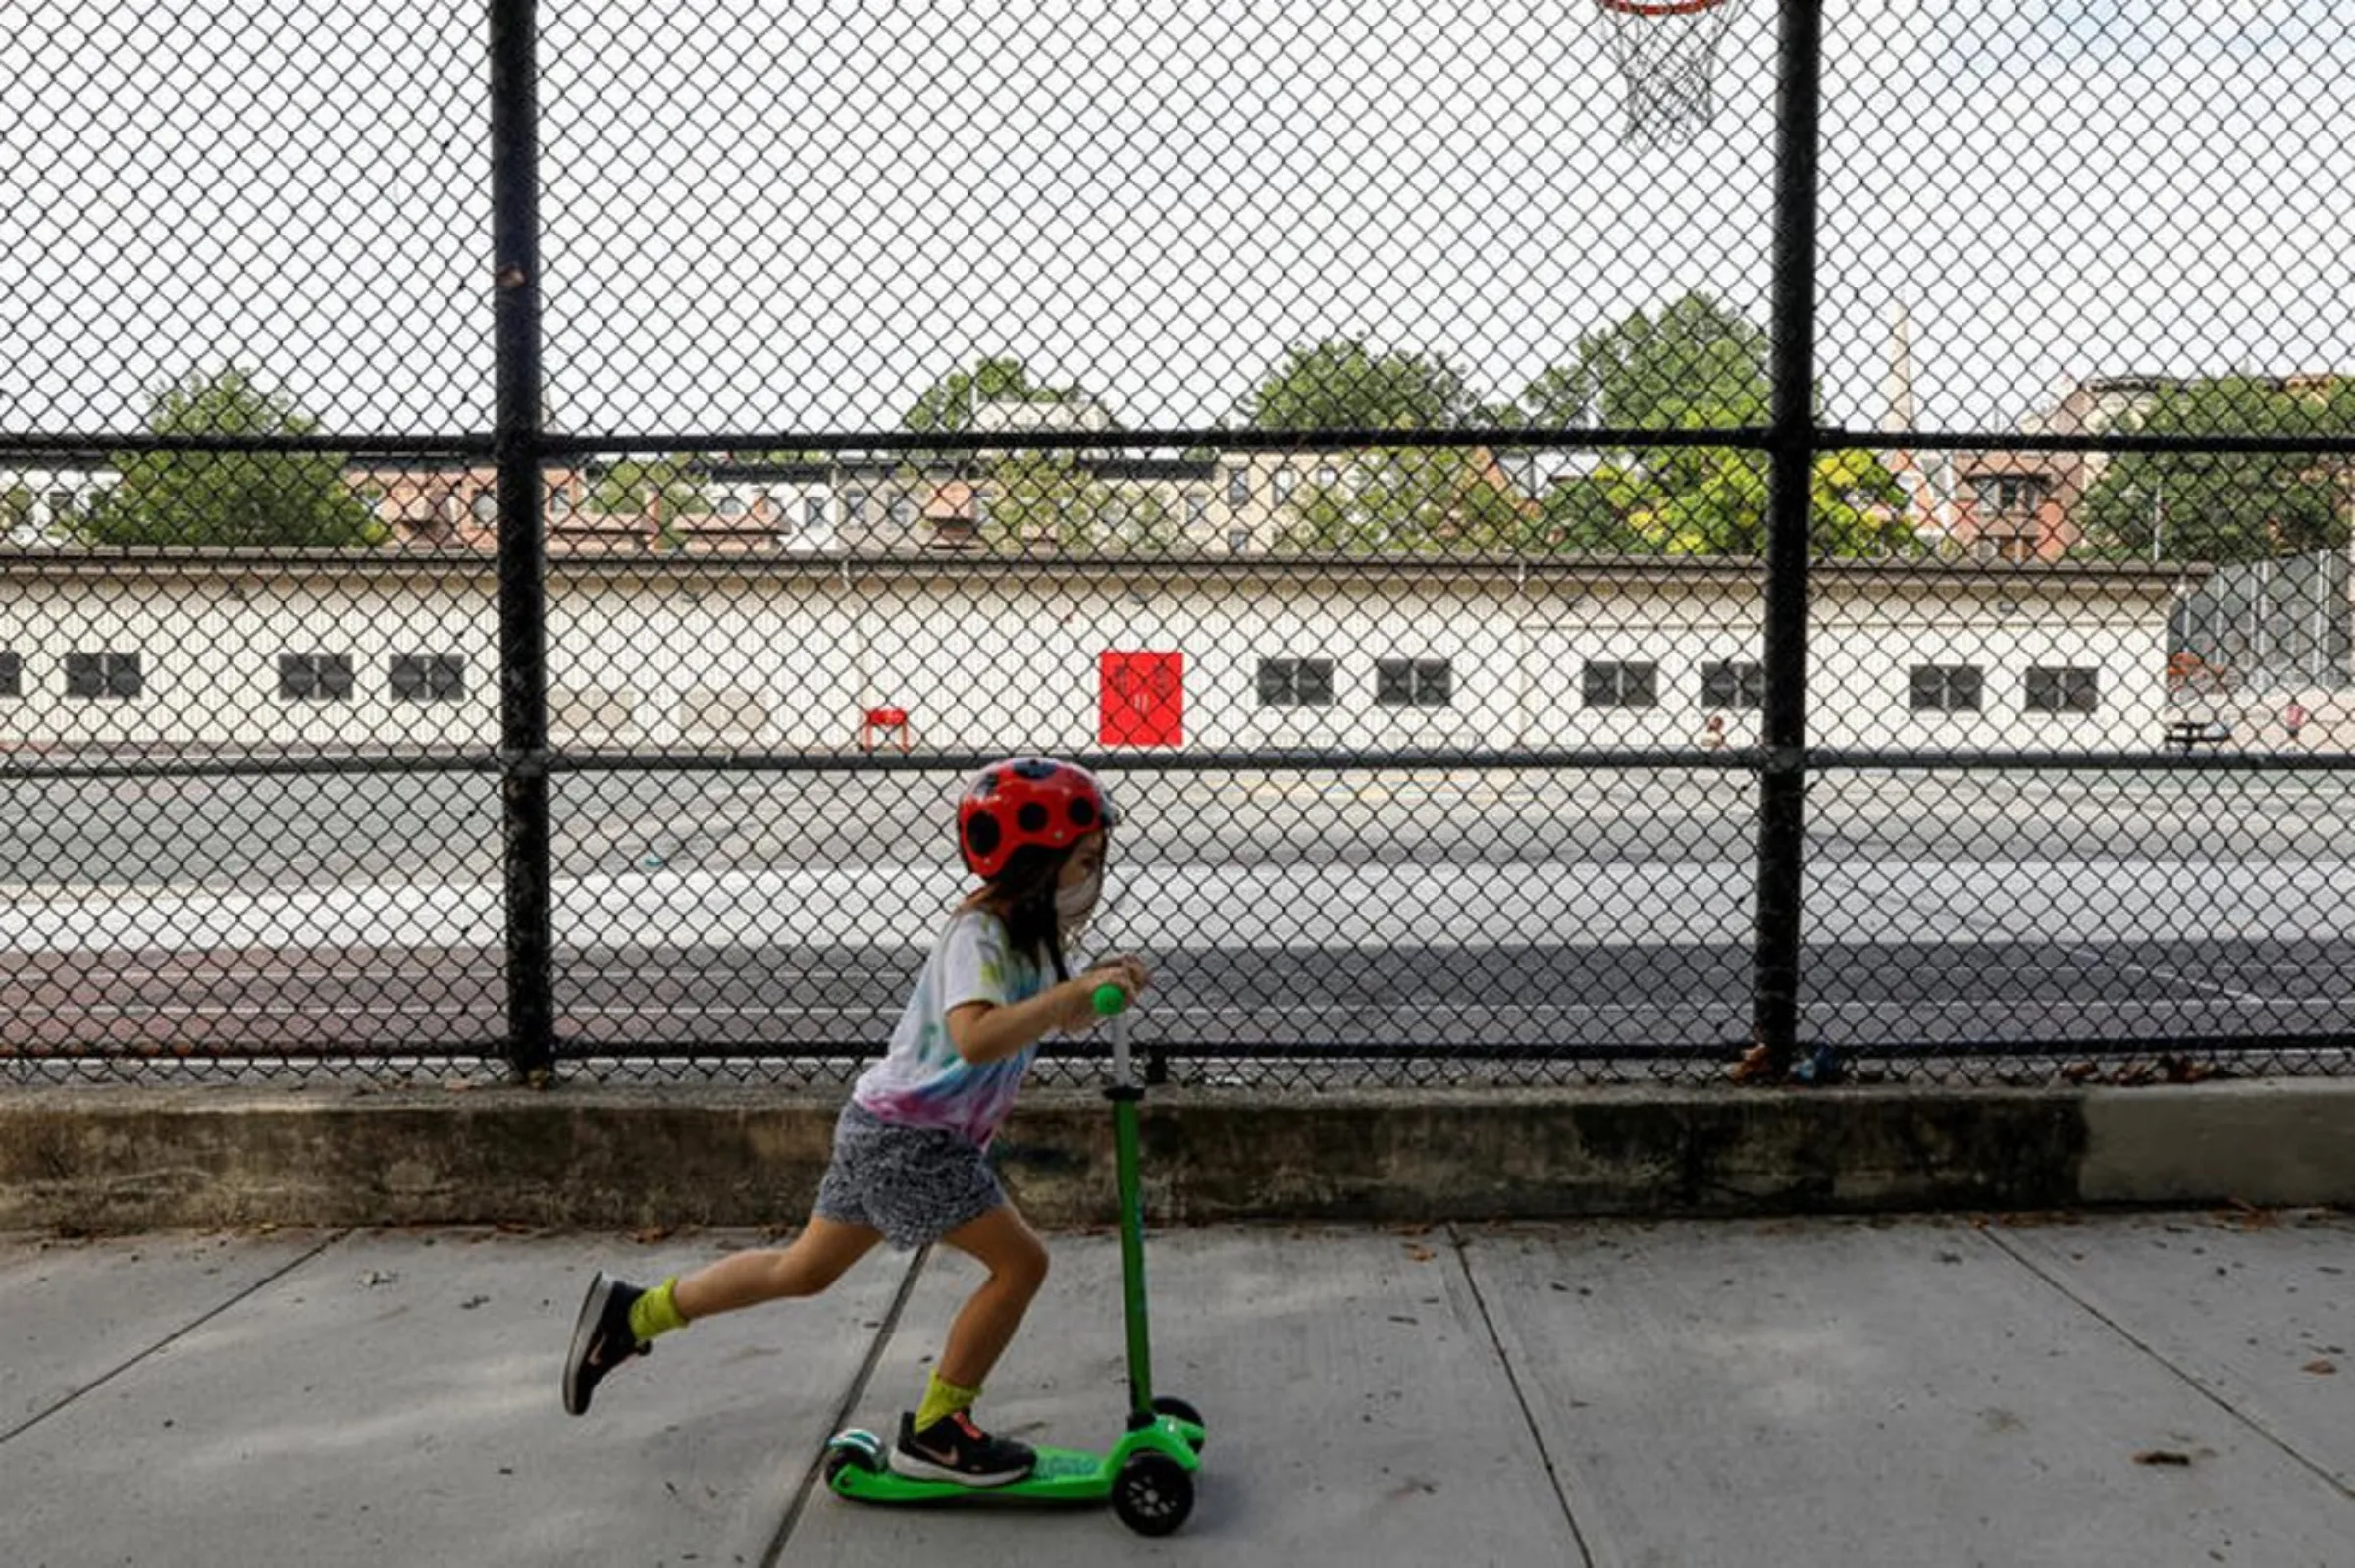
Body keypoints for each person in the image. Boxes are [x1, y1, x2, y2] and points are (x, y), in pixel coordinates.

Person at [560, 757, 1149, 1488]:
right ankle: (937, 1431)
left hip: (886, 1129)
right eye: (1086, 860)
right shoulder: (980, 937)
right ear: (1038, 861)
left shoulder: (1032, 939)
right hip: (913, 1143)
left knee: (801, 1271)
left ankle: (636, 1313)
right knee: (1021, 1264)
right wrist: (1069, 1000)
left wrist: (1092, 990)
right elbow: (976, 1034)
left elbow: (1048, 1020)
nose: (1095, 876)